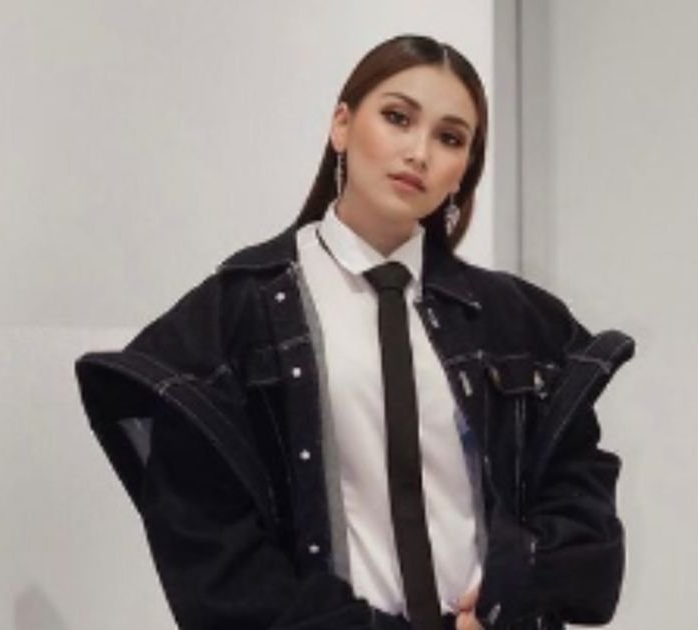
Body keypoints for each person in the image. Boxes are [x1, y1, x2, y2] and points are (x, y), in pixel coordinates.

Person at [74, 34, 634, 630]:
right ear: (341, 125)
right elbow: (208, 544)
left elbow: (582, 505)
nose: (418, 152)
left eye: (450, 138)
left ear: (463, 171)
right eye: (397, 118)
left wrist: (512, 586)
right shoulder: (236, 314)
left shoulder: (516, 319)